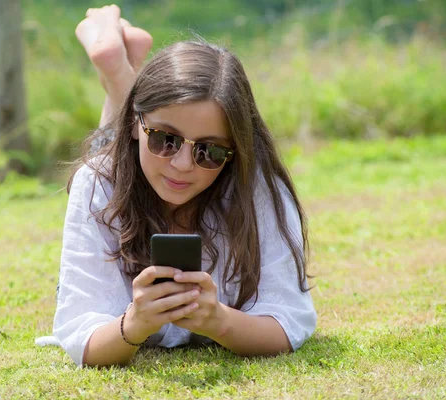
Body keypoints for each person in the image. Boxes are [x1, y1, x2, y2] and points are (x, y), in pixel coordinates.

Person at [47, 5, 317, 368]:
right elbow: (85, 339)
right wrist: (135, 324)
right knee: (108, 152)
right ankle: (115, 71)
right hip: (122, 160)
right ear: (136, 124)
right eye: (164, 139)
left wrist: (218, 321)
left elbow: (288, 325)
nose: (183, 165)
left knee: (133, 140)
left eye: (210, 151)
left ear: (236, 151)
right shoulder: (97, 182)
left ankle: (119, 73)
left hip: (134, 139)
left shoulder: (256, 186)